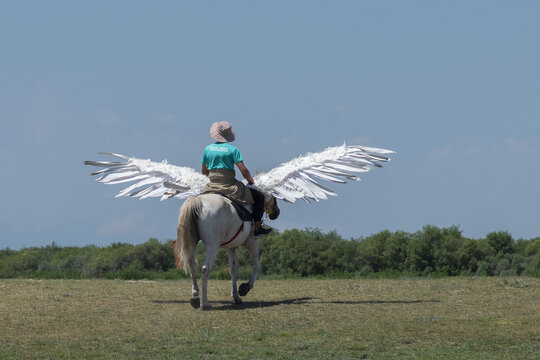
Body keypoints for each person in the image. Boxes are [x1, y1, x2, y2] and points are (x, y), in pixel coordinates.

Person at [201, 121, 271, 236]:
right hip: (230, 186)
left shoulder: (207, 149)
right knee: (259, 197)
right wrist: (250, 181)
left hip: (212, 185)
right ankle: (257, 228)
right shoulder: (233, 150)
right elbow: (243, 170)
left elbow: (204, 171)